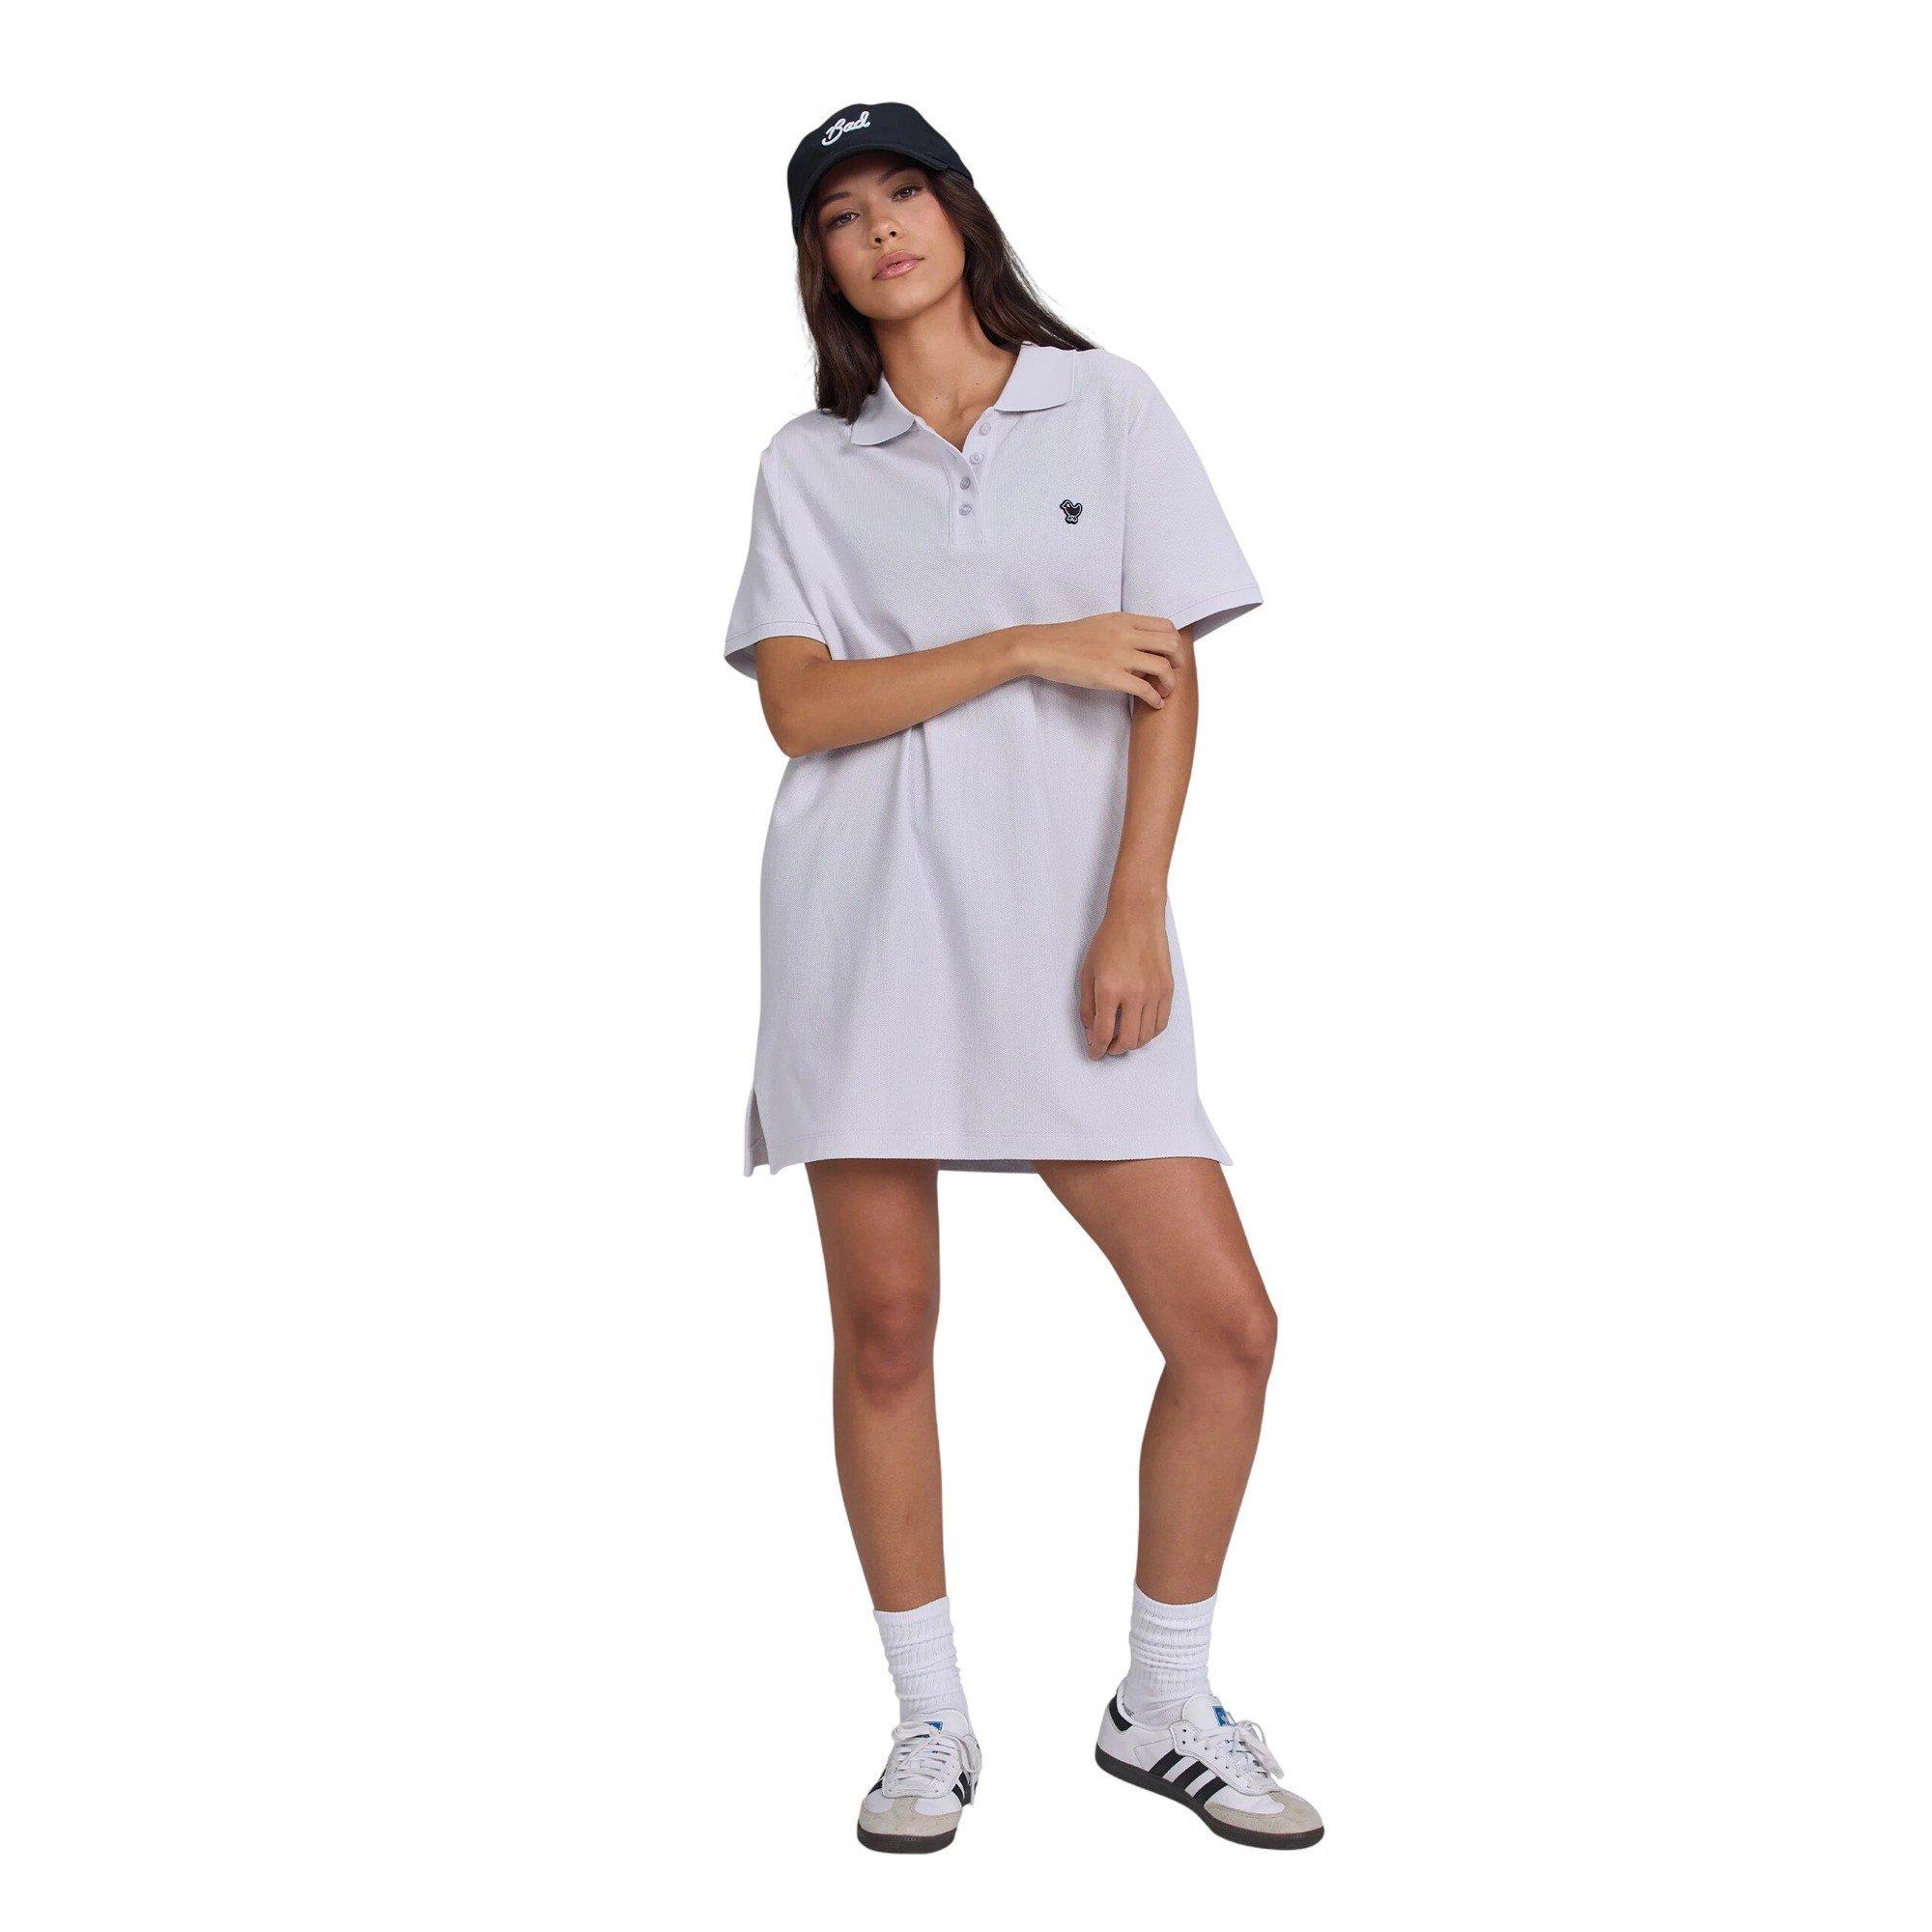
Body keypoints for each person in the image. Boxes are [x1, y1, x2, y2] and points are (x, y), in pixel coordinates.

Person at [722, 99, 1323, 1855]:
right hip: (866, 928)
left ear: (962, 212)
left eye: (905, 193)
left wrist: (1136, 907)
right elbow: (801, 707)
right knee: (886, 1326)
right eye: (843, 214)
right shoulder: (807, 463)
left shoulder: (1105, 404)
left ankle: (1164, 1701)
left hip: (1074, 936)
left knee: (1227, 1330)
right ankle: (928, 1721)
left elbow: (1166, 674)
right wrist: (1021, 646)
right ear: (822, 263)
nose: (883, 230)